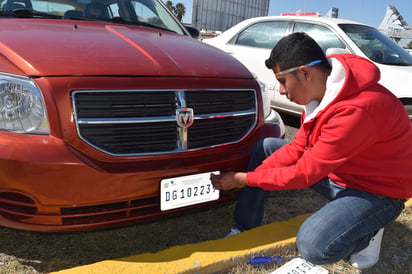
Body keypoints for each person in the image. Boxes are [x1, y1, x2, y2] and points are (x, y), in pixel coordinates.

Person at [210, 32, 412, 269]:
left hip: (378, 191)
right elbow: (298, 147)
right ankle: (243, 226)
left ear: (306, 72)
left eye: (283, 81)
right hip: (344, 172)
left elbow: (305, 173)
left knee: (313, 246)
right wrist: (255, 176)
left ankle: (367, 232)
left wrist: (243, 180)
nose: (282, 90)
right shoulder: (322, 95)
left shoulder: (358, 110)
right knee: (268, 147)